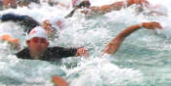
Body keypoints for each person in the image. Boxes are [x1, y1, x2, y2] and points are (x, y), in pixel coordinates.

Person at [16, 22, 161, 61]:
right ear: (28, 43)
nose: (39, 44)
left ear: (47, 44)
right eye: (35, 40)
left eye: (42, 41)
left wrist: (140, 25)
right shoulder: (21, 55)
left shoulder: (54, 51)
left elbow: (118, 39)